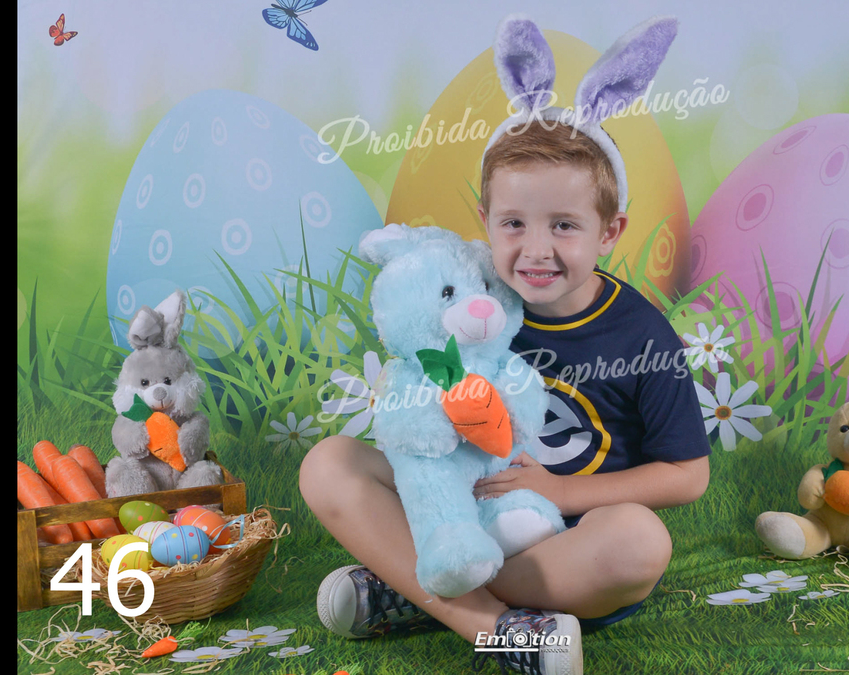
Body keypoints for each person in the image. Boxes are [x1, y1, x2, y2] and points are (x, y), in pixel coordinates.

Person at [299, 14, 705, 675]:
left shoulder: (641, 334)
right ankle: (496, 627)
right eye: (514, 223)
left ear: (609, 231)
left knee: (641, 543)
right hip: (462, 510)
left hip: (567, 550)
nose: (536, 249)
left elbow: (688, 475)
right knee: (328, 463)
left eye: (564, 225)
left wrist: (561, 492)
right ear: (485, 220)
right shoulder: (465, 298)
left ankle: (418, 590)